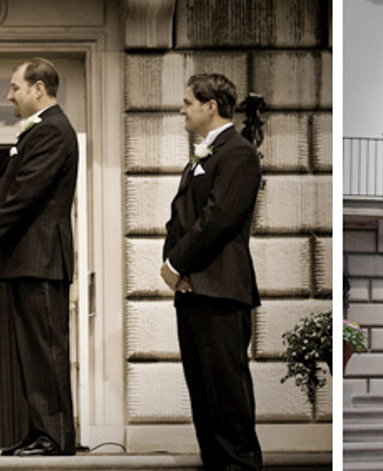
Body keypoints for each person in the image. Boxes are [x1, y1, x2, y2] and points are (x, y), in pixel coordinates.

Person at [0, 58, 81, 457]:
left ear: (39, 88)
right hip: (28, 258)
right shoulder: (42, 129)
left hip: (42, 257)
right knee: (33, 350)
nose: (8, 95)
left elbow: (25, 194)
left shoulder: (53, 130)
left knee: (47, 349)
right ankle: (41, 430)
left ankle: (55, 436)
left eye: (15, 87)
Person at [160, 73, 264, 470]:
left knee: (227, 396)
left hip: (221, 291)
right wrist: (175, 268)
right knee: (203, 396)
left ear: (211, 106)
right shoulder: (202, 155)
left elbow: (218, 219)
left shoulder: (238, 153)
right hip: (193, 291)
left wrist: (175, 264)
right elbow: (182, 218)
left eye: (188, 102)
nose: (182, 109)